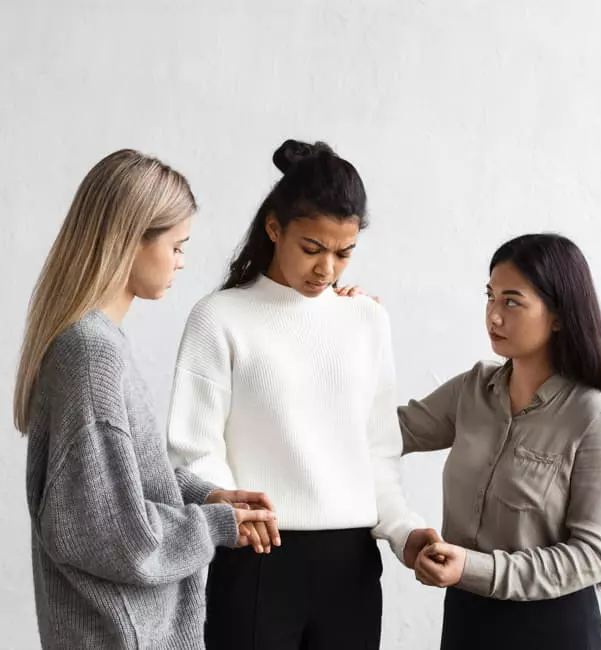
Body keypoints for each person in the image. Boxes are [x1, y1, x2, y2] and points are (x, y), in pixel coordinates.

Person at [167, 139, 437, 650]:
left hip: (352, 570)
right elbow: (194, 451)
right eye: (312, 248)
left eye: (344, 253)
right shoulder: (219, 317)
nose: (328, 269)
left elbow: (378, 453)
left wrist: (407, 534)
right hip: (256, 562)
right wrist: (236, 515)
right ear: (274, 228)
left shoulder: (367, 320)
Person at [14, 149, 276, 650]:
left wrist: (206, 495)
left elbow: (117, 486)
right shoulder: (91, 354)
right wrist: (216, 525)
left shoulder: (94, 343)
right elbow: (114, 534)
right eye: (177, 245)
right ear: (131, 239)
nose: (182, 260)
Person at [398, 234, 601, 650]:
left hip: (551, 629)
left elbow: (590, 557)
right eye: (490, 297)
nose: (493, 316)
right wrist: (343, 320)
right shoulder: (472, 390)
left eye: (512, 301)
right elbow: (383, 435)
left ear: (560, 316)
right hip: (466, 620)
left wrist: (473, 568)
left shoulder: (596, 417)